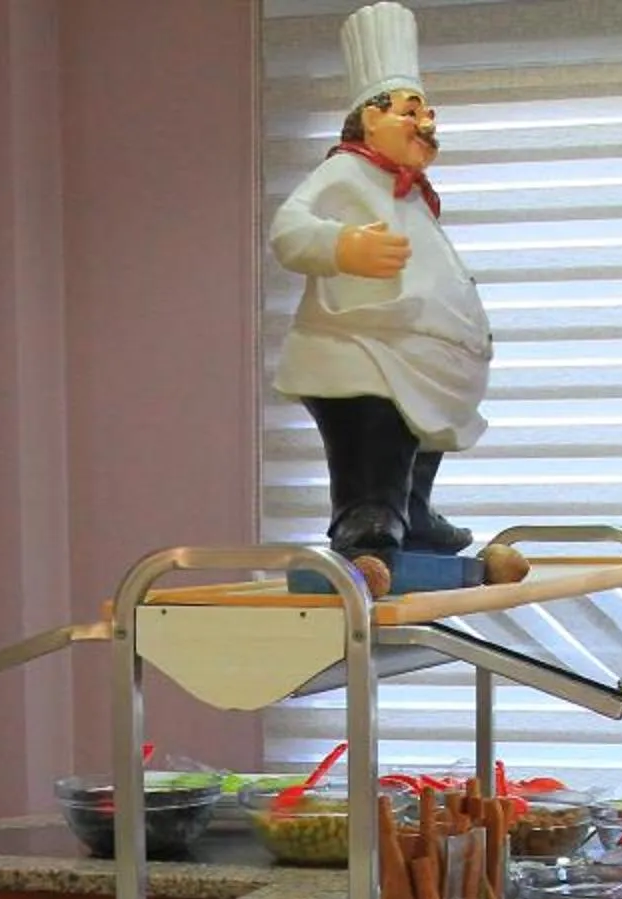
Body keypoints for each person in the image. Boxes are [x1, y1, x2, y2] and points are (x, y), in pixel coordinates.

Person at [268, 3, 491, 578]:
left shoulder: (413, 192)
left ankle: (411, 514)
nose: (426, 124)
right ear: (369, 119)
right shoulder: (344, 172)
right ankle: (366, 524)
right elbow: (290, 231)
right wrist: (341, 246)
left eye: (428, 113)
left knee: (420, 434)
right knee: (378, 441)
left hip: (416, 355)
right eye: (410, 111)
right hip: (361, 349)